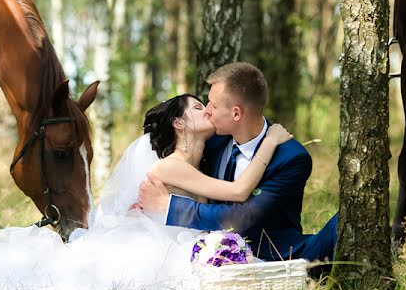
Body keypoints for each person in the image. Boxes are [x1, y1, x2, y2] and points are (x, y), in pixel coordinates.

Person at [0, 92, 292, 290]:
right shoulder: (171, 165)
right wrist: (272, 139)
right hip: (158, 242)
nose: (207, 111)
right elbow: (238, 193)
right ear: (179, 122)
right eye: (199, 106)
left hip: (169, 233)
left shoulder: (201, 160)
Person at [138, 62, 338, 277]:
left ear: (236, 114)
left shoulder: (290, 158)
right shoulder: (212, 141)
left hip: (277, 257)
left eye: (213, 105)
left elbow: (244, 215)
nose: (207, 111)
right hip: (208, 252)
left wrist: (171, 207)